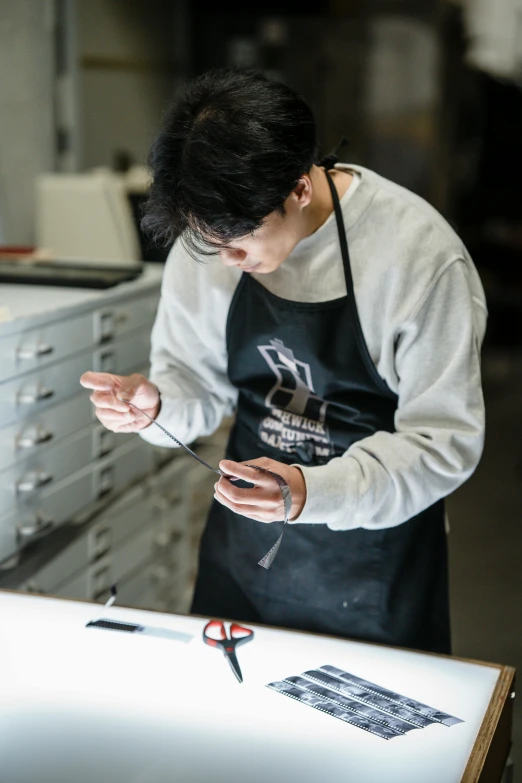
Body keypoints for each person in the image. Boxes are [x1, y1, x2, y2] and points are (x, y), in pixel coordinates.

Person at [81, 68, 487, 654]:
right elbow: (195, 384)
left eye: (239, 241)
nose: (226, 259)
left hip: (375, 565)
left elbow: (441, 443)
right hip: (244, 553)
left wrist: (309, 491)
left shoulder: (417, 257)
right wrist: (160, 403)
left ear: (299, 188)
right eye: (209, 242)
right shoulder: (211, 244)